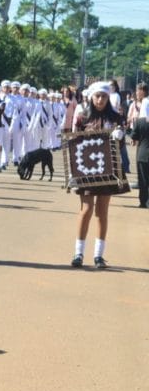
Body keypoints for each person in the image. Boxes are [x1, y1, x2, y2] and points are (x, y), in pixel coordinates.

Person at [69, 81, 130, 269]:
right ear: (91, 97)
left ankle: (98, 255)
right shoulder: (83, 117)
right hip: (87, 170)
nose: (100, 99)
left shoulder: (116, 117)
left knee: (102, 212)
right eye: (97, 96)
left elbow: (120, 145)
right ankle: (78, 253)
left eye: (104, 96)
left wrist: (120, 137)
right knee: (86, 209)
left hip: (108, 169)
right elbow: (75, 143)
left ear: (108, 98)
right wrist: (74, 168)